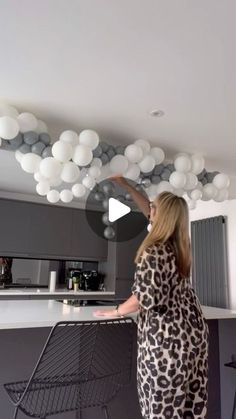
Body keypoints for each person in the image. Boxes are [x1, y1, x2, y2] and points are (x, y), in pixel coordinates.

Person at [94, 176, 209, 419]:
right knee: (190, 406)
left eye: (153, 207)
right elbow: (149, 207)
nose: (149, 209)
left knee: (161, 408)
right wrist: (126, 185)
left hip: (166, 342)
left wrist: (116, 311)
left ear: (161, 215)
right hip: (193, 336)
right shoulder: (180, 245)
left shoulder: (155, 249)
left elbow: (142, 298)